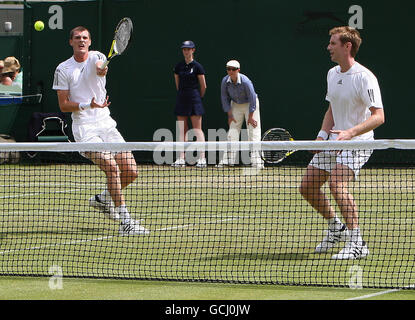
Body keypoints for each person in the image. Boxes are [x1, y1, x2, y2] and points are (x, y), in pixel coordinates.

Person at [52, 26, 149, 235]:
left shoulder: (98, 56)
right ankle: (126, 222)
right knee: (112, 168)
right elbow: (63, 104)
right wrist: (88, 105)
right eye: (77, 38)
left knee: (131, 171)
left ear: (90, 41)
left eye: (85, 37)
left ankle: (103, 199)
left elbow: (99, 67)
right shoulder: (63, 69)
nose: (81, 41)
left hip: (106, 123)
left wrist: (101, 69)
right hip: (84, 128)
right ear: (71, 42)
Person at [299, 26, 385, 260]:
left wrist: (349, 133)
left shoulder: (365, 77)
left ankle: (357, 243)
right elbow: (331, 110)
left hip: (358, 142)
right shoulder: (332, 73)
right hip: (335, 139)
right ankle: (337, 228)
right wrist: (321, 136)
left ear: (347, 46)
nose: (328, 47)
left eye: (333, 43)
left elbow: (379, 116)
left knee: (337, 185)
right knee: (307, 186)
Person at [219, 60, 263, 168]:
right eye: (228, 69)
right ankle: (227, 161)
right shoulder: (225, 81)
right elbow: (224, 98)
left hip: (250, 105)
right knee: (232, 131)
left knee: (253, 132)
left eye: (233, 69)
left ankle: (256, 161)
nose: (231, 71)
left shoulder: (246, 81)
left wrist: (251, 116)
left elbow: (252, 98)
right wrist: (229, 114)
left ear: (238, 70)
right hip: (236, 104)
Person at [172, 40, 207, 167]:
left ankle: (202, 158)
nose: (186, 51)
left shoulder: (198, 67)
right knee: (182, 129)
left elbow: (203, 86)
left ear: (193, 50)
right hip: (182, 98)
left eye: (188, 49)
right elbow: (177, 84)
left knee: (197, 129)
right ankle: (181, 158)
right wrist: (183, 94)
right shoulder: (178, 67)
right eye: (184, 49)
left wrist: (197, 97)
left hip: (194, 99)